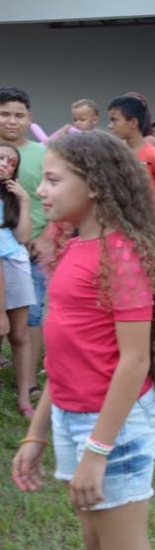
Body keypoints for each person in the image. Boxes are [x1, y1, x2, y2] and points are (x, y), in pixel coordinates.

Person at [13, 130, 155, 549]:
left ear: (94, 184)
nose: (40, 190)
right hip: (73, 417)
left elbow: (133, 362)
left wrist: (97, 451)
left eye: (54, 180)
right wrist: (37, 434)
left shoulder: (121, 256)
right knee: (95, 539)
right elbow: (63, 359)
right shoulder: (74, 247)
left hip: (112, 425)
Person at [0, 87, 47, 407]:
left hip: (32, 249)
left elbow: (61, 196)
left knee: (30, 318)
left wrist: (48, 237)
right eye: (4, 114)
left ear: (30, 119)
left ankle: (28, 384)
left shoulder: (44, 154)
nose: (11, 121)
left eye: (19, 115)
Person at [0, 141, 37, 417]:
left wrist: (24, 200)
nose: (4, 164)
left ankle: (24, 397)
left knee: (19, 332)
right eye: (0, 158)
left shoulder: (15, 196)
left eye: (10, 162)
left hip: (15, 262)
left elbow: (23, 237)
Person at [107, 96, 155, 219]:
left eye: (114, 120)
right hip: (122, 228)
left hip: (147, 232)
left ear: (133, 123)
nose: (110, 126)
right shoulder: (116, 154)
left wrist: (154, 219)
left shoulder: (154, 155)